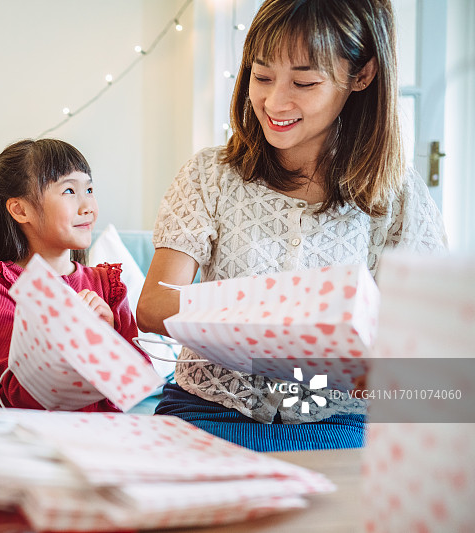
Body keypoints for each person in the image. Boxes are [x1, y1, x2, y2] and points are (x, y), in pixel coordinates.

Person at [136, 0, 447, 451]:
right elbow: (153, 305)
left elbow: (425, 335)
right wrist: (267, 318)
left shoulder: (398, 196)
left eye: (304, 81)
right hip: (208, 407)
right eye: (261, 76)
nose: (274, 102)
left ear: (361, 75)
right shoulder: (210, 175)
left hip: (339, 421)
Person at [0, 138, 147, 413]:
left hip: (92, 437)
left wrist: (105, 334)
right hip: (21, 436)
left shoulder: (106, 284)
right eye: (69, 191)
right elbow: (18, 393)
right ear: (20, 210)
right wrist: (75, 334)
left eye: (89, 189)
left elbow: (133, 383)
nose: (88, 207)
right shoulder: (0, 283)